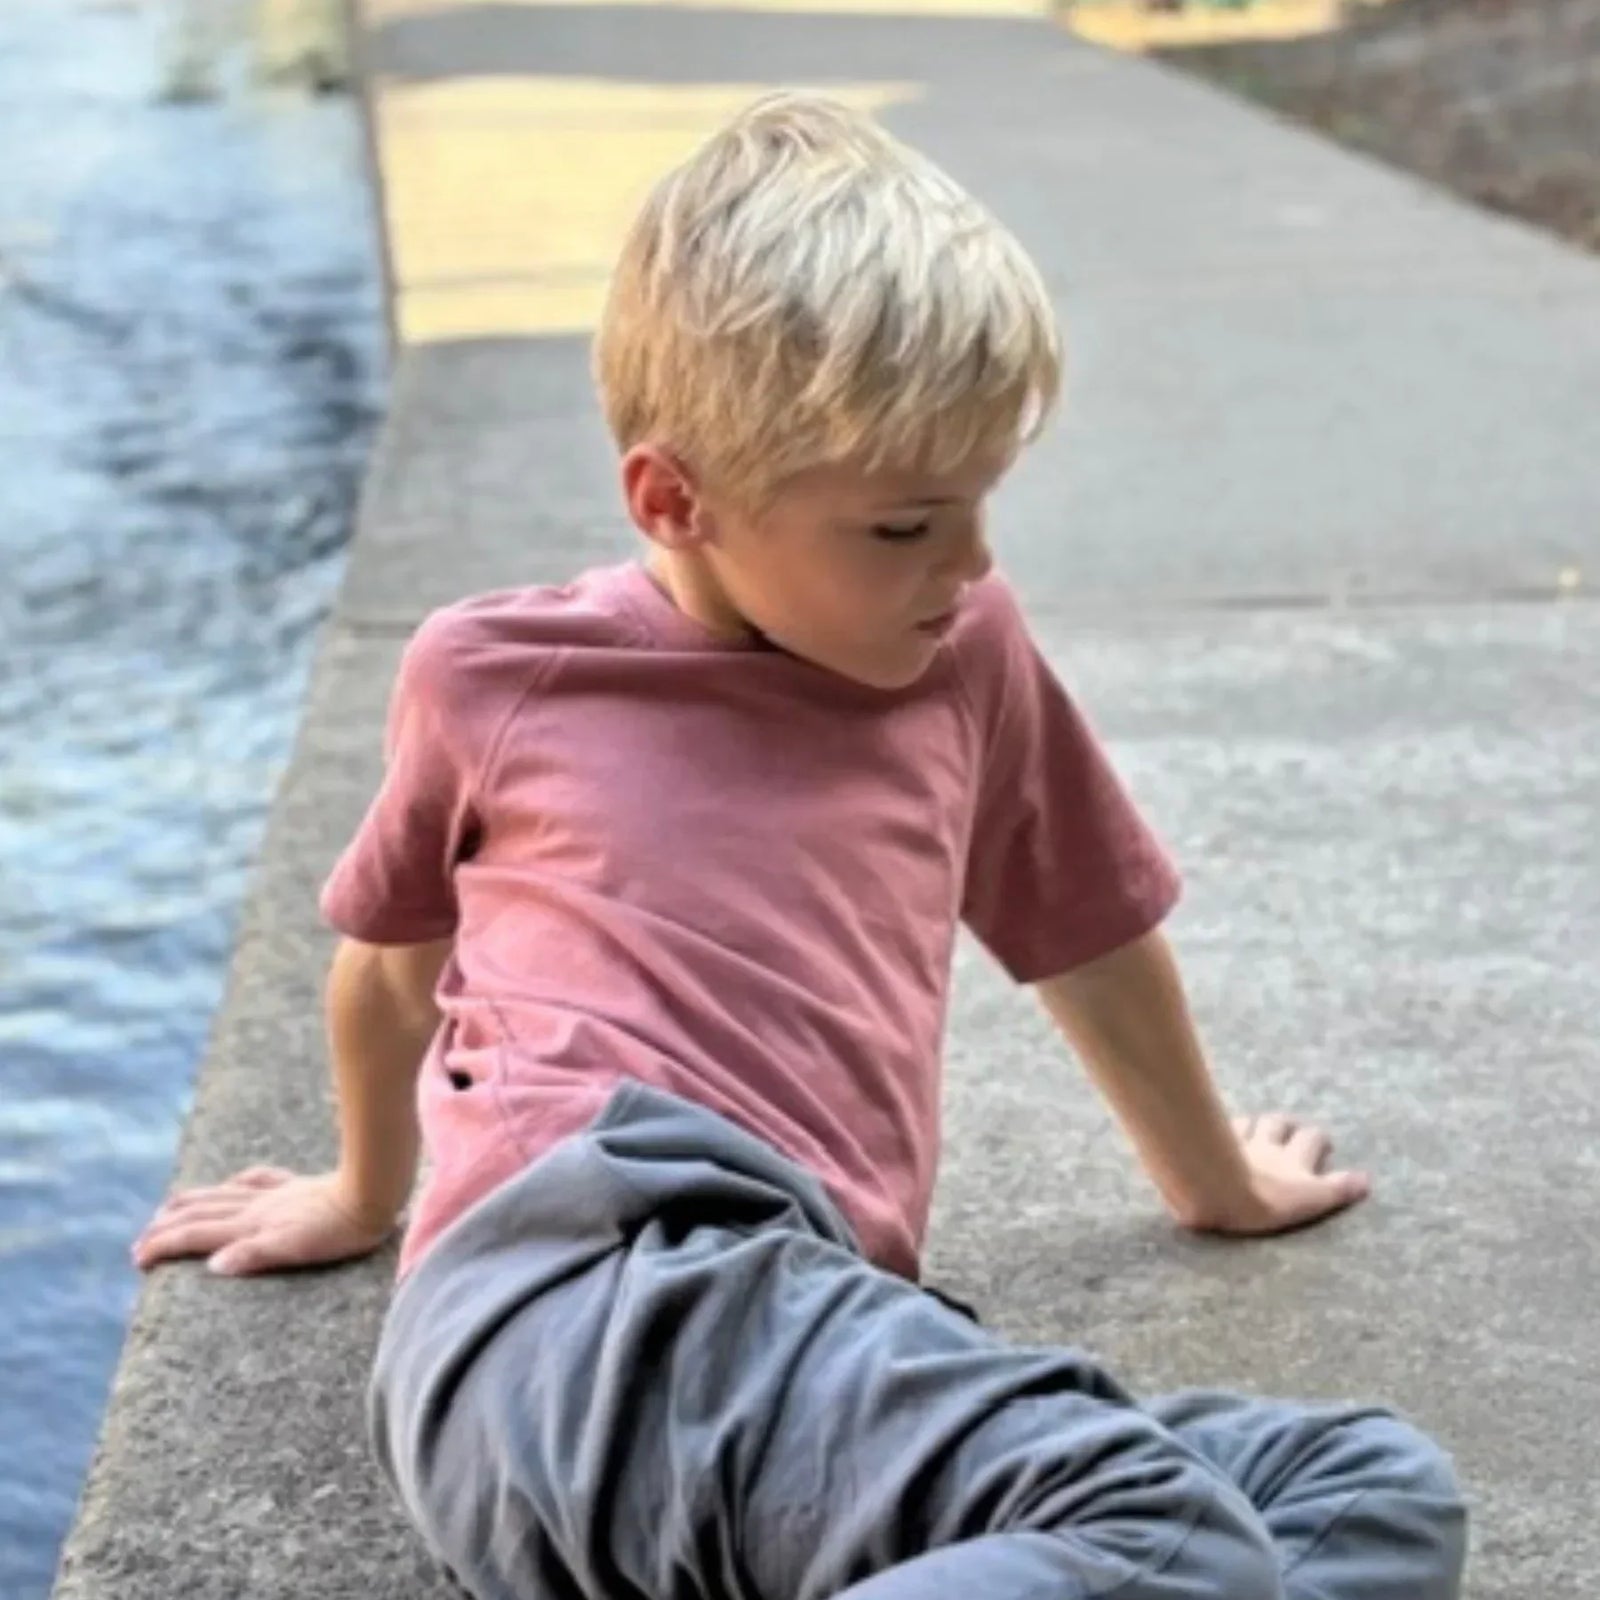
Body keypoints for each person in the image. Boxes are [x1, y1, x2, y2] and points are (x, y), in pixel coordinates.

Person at [133, 91, 1466, 1600]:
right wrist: (364, 1200)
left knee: (1365, 1489)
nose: (966, 565)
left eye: (981, 506)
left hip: (797, 1341)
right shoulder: (495, 673)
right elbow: (386, 975)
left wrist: (1217, 1179)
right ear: (674, 498)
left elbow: (1083, 922)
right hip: (565, 1298)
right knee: (1161, 1538)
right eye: (902, 528)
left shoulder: (962, 648)